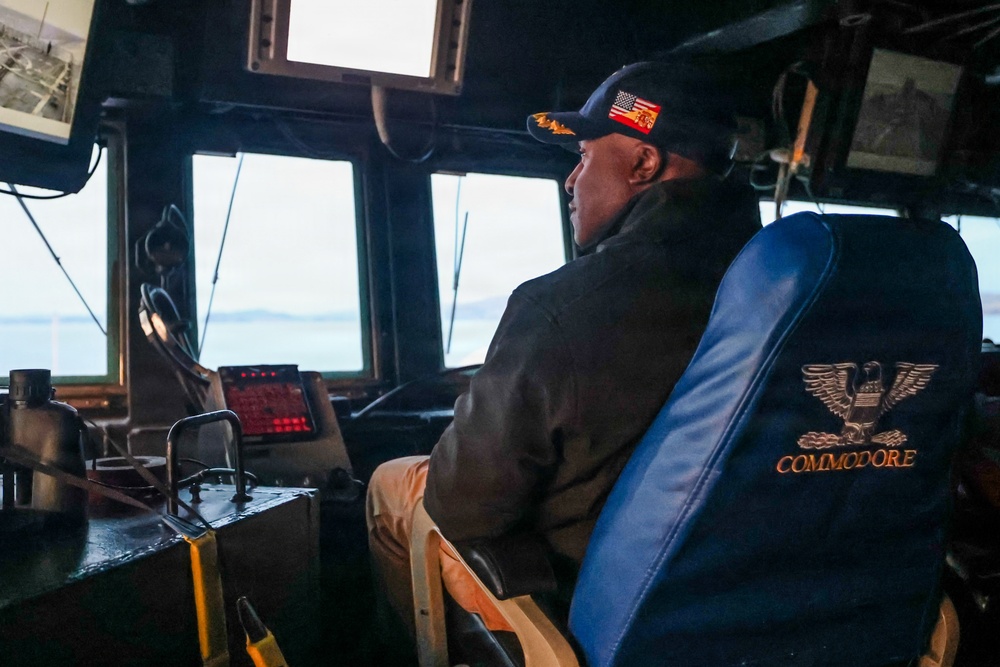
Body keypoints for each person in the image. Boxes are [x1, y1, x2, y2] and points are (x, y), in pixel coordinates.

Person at [366, 61, 762, 633]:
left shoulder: (559, 307)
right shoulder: (786, 290)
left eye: (584, 156)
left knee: (391, 484)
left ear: (644, 163)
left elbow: (464, 508)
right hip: (734, 596)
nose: (572, 181)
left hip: (580, 599)